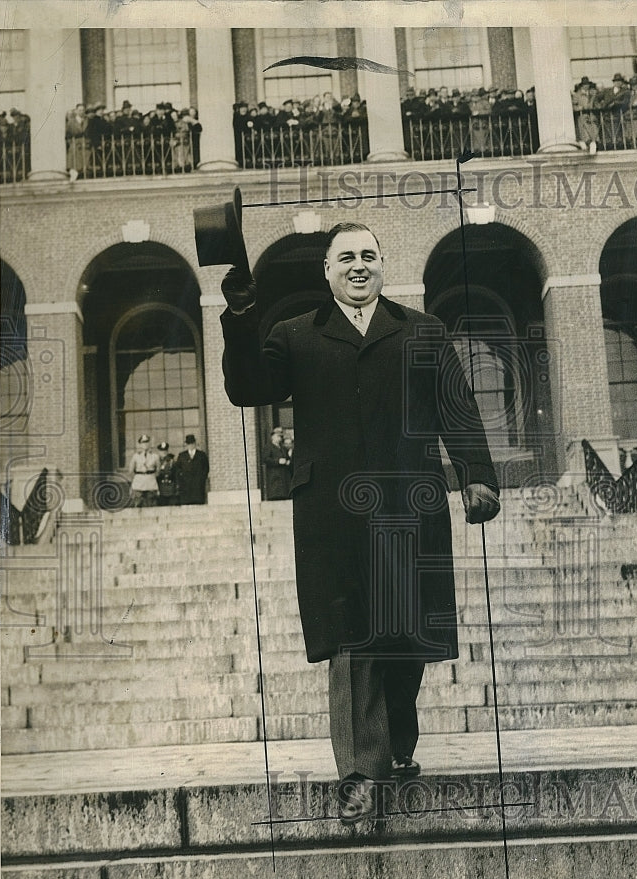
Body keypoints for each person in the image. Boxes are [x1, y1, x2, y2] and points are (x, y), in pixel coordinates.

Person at [221, 221, 500, 825]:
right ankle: (357, 774)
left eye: (368, 256)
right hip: (332, 513)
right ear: (326, 271)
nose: (357, 266)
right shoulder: (295, 335)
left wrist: (476, 474)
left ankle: (397, 742)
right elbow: (247, 387)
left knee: (405, 640)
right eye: (345, 257)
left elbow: (456, 403)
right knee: (353, 639)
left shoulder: (422, 330)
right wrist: (242, 313)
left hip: (411, 505)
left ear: (381, 266)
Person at [176, 434, 209, 505]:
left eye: (192, 443)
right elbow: (178, 469)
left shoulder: (201, 455)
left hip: (198, 487)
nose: (190, 446)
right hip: (186, 488)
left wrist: (201, 479)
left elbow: (206, 469)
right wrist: (181, 480)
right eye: (188, 444)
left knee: (198, 505)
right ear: (186, 445)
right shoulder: (182, 456)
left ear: (195, 444)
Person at [128, 434, 160, 507]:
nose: (145, 444)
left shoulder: (155, 456)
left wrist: (152, 477)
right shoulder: (135, 456)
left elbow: (158, 470)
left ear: (149, 443)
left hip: (151, 483)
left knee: (151, 503)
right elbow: (131, 471)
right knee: (138, 503)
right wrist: (135, 481)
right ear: (140, 444)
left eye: (147, 442)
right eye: (143, 442)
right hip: (139, 483)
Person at [263, 426, 292, 500]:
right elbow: (266, 459)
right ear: (272, 437)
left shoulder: (283, 448)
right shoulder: (268, 447)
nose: (279, 438)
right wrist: (278, 461)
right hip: (274, 475)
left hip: (283, 475)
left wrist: (288, 461)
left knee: (284, 494)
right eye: (278, 436)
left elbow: (287, 457)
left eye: (280, 436)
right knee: (276, 493)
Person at [156, 441, 179, 506]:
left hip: (170, 487)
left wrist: (176, 487)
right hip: (160, 487)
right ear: (159, 452)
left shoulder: (171, 461)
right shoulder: (156, 461)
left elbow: (176, 474)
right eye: (162, 451)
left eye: (165, 451)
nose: (163, 452)